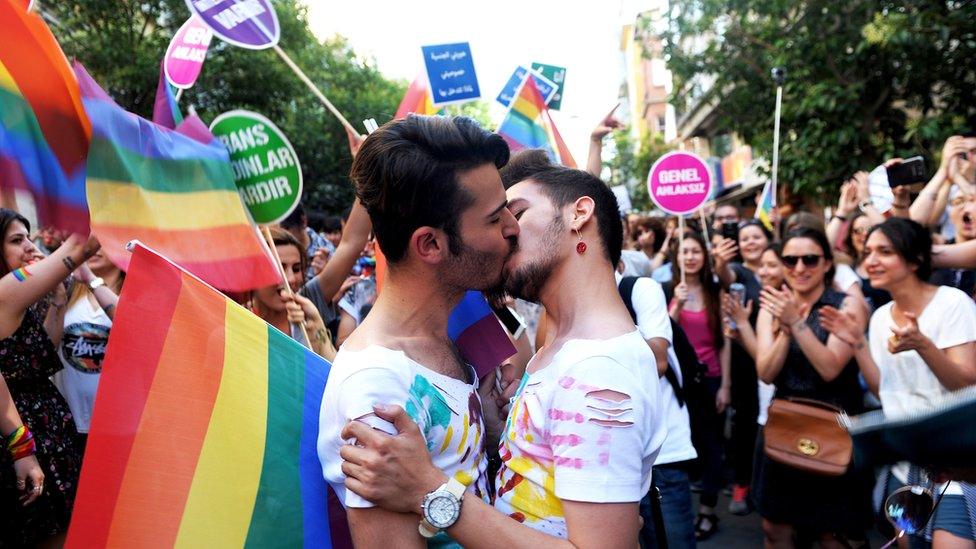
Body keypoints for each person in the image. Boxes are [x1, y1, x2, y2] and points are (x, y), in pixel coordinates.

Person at [334, 146, 666, 548]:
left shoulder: (598, 369)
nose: (507, 231)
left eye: (518, 213)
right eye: (498, 217)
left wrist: (431, 489)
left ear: (579, 214)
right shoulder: (560, 352)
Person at [317, 115, 520, 547]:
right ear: (430, 245)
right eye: (493, 218)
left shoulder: (448, 333)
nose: (513, 228)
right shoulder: (378, 384)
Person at [819, 217, 976, 548]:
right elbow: (883, 392)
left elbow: (965, 388)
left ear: (916, 259)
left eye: (885, 251)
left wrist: (923, 345)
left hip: (954, 468)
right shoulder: (879, 318)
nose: (871, 260)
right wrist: (857, 343)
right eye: (868, 251)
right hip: (904, 468)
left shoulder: (952, 303)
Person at [754, 227, 874, 548]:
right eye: (790, 260)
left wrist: (796, 323)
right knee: (774, 528)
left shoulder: (846, 305)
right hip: (785, 423)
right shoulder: (773, 306)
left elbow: (830, 367)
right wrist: (784, 331)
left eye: (810, 259)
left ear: (826, 263)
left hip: (833, 427)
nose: (799, 268)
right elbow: (766, 372)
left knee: (831, 534)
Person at [0, 209, 96, 546]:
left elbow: (39, 358)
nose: (29, 246)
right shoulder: (3, 293)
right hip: (18, 437)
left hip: (48, 432)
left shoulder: (23, 300)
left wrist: (56, 300)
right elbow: (81, 246)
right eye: (16, 240)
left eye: (29, 237)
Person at [668, 230, 731, 540]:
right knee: (687, 443)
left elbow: (724, 343)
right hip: (682, 383)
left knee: (712, 447)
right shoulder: (667, 290)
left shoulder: (715, 291)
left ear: (704, 257)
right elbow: (662, 336)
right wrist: (676, 306)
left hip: (712, 379)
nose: (690, 257)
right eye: (685, 252)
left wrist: (726, 386)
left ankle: (708, 511)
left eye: (696, 251)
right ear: (676, 257)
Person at [713, 219, 773, 515]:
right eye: (744, 238)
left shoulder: (782, 270)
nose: (750, 242)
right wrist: (720, 264)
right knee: (745, 424)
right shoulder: (739, 274)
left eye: (756, 236)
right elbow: (725, 275)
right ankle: (741, 483)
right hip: (744, 363)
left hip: (777, 357)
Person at [53, 243, 122, 442]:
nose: (93, 248)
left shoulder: (135, 294)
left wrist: (91, 280)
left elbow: (133, 327)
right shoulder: (66, 290)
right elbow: (46, 348)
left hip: (119, 426)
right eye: (90, 242)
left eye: (101, 242)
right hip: (70, 423)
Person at [929, 187, 976, 297]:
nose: (966, 208)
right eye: (959, 202)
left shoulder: (933, 253)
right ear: (950, 213)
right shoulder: (938, 246)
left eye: (972, 202)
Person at [281, 203, 335, 280]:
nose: (280, 235)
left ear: (303, 221)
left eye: (286, 229)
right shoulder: (272, 249)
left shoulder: (326, 250)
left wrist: (325, 276)